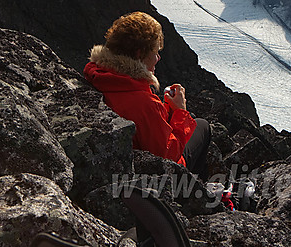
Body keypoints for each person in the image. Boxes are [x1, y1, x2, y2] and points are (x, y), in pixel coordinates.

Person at [84, 11, 211, 179]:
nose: (158, 58)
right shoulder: (144, 102)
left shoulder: (100, 74)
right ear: (139, 53)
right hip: (154, 178)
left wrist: (166, 110)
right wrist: (180, 111)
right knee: (202, 126)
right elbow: (168, 157)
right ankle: (193, 192)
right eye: (155, 52)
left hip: (122, 160)